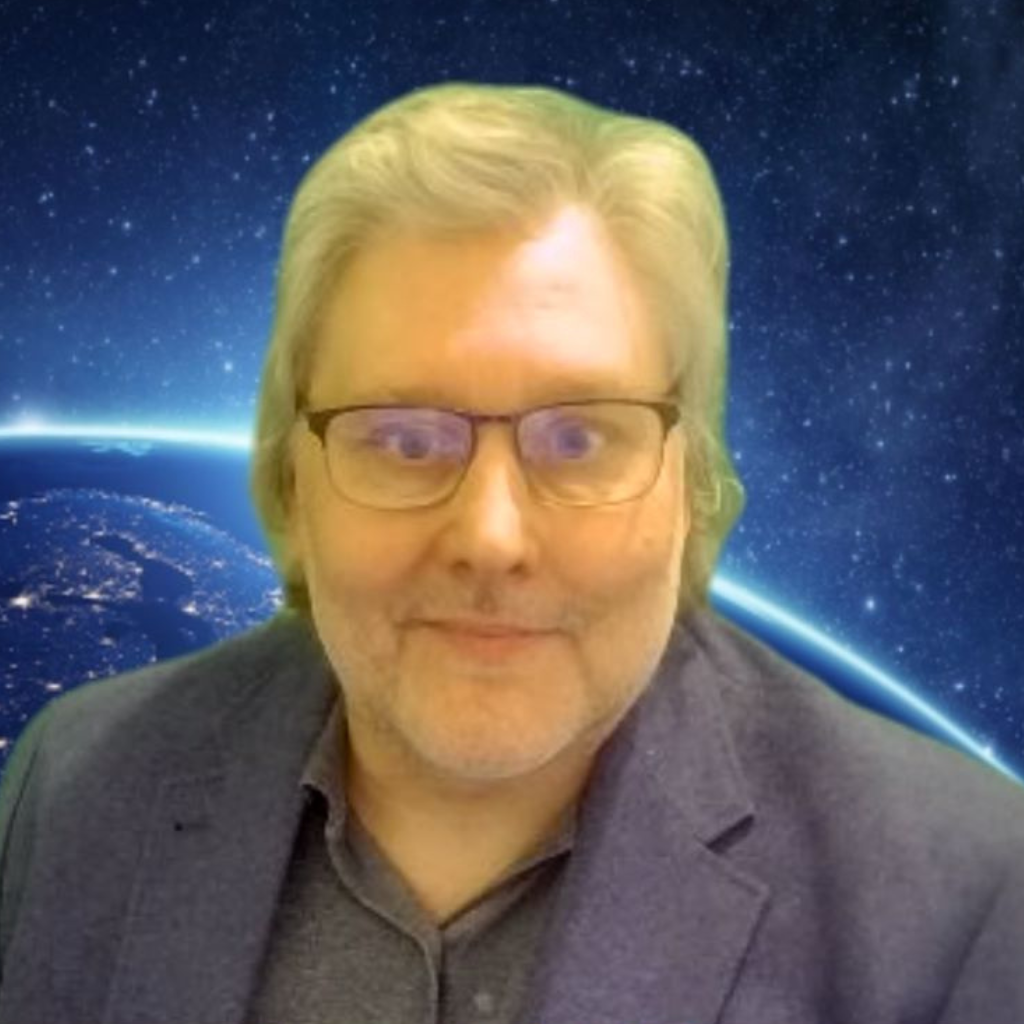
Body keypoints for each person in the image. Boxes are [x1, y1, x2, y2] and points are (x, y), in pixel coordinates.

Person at [1, 81, 1022, 1024]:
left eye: (580, 438)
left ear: (688, 482)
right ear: (292, 482)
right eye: (404, 439)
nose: (491, 537)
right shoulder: (77, 786)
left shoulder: (966, 904)